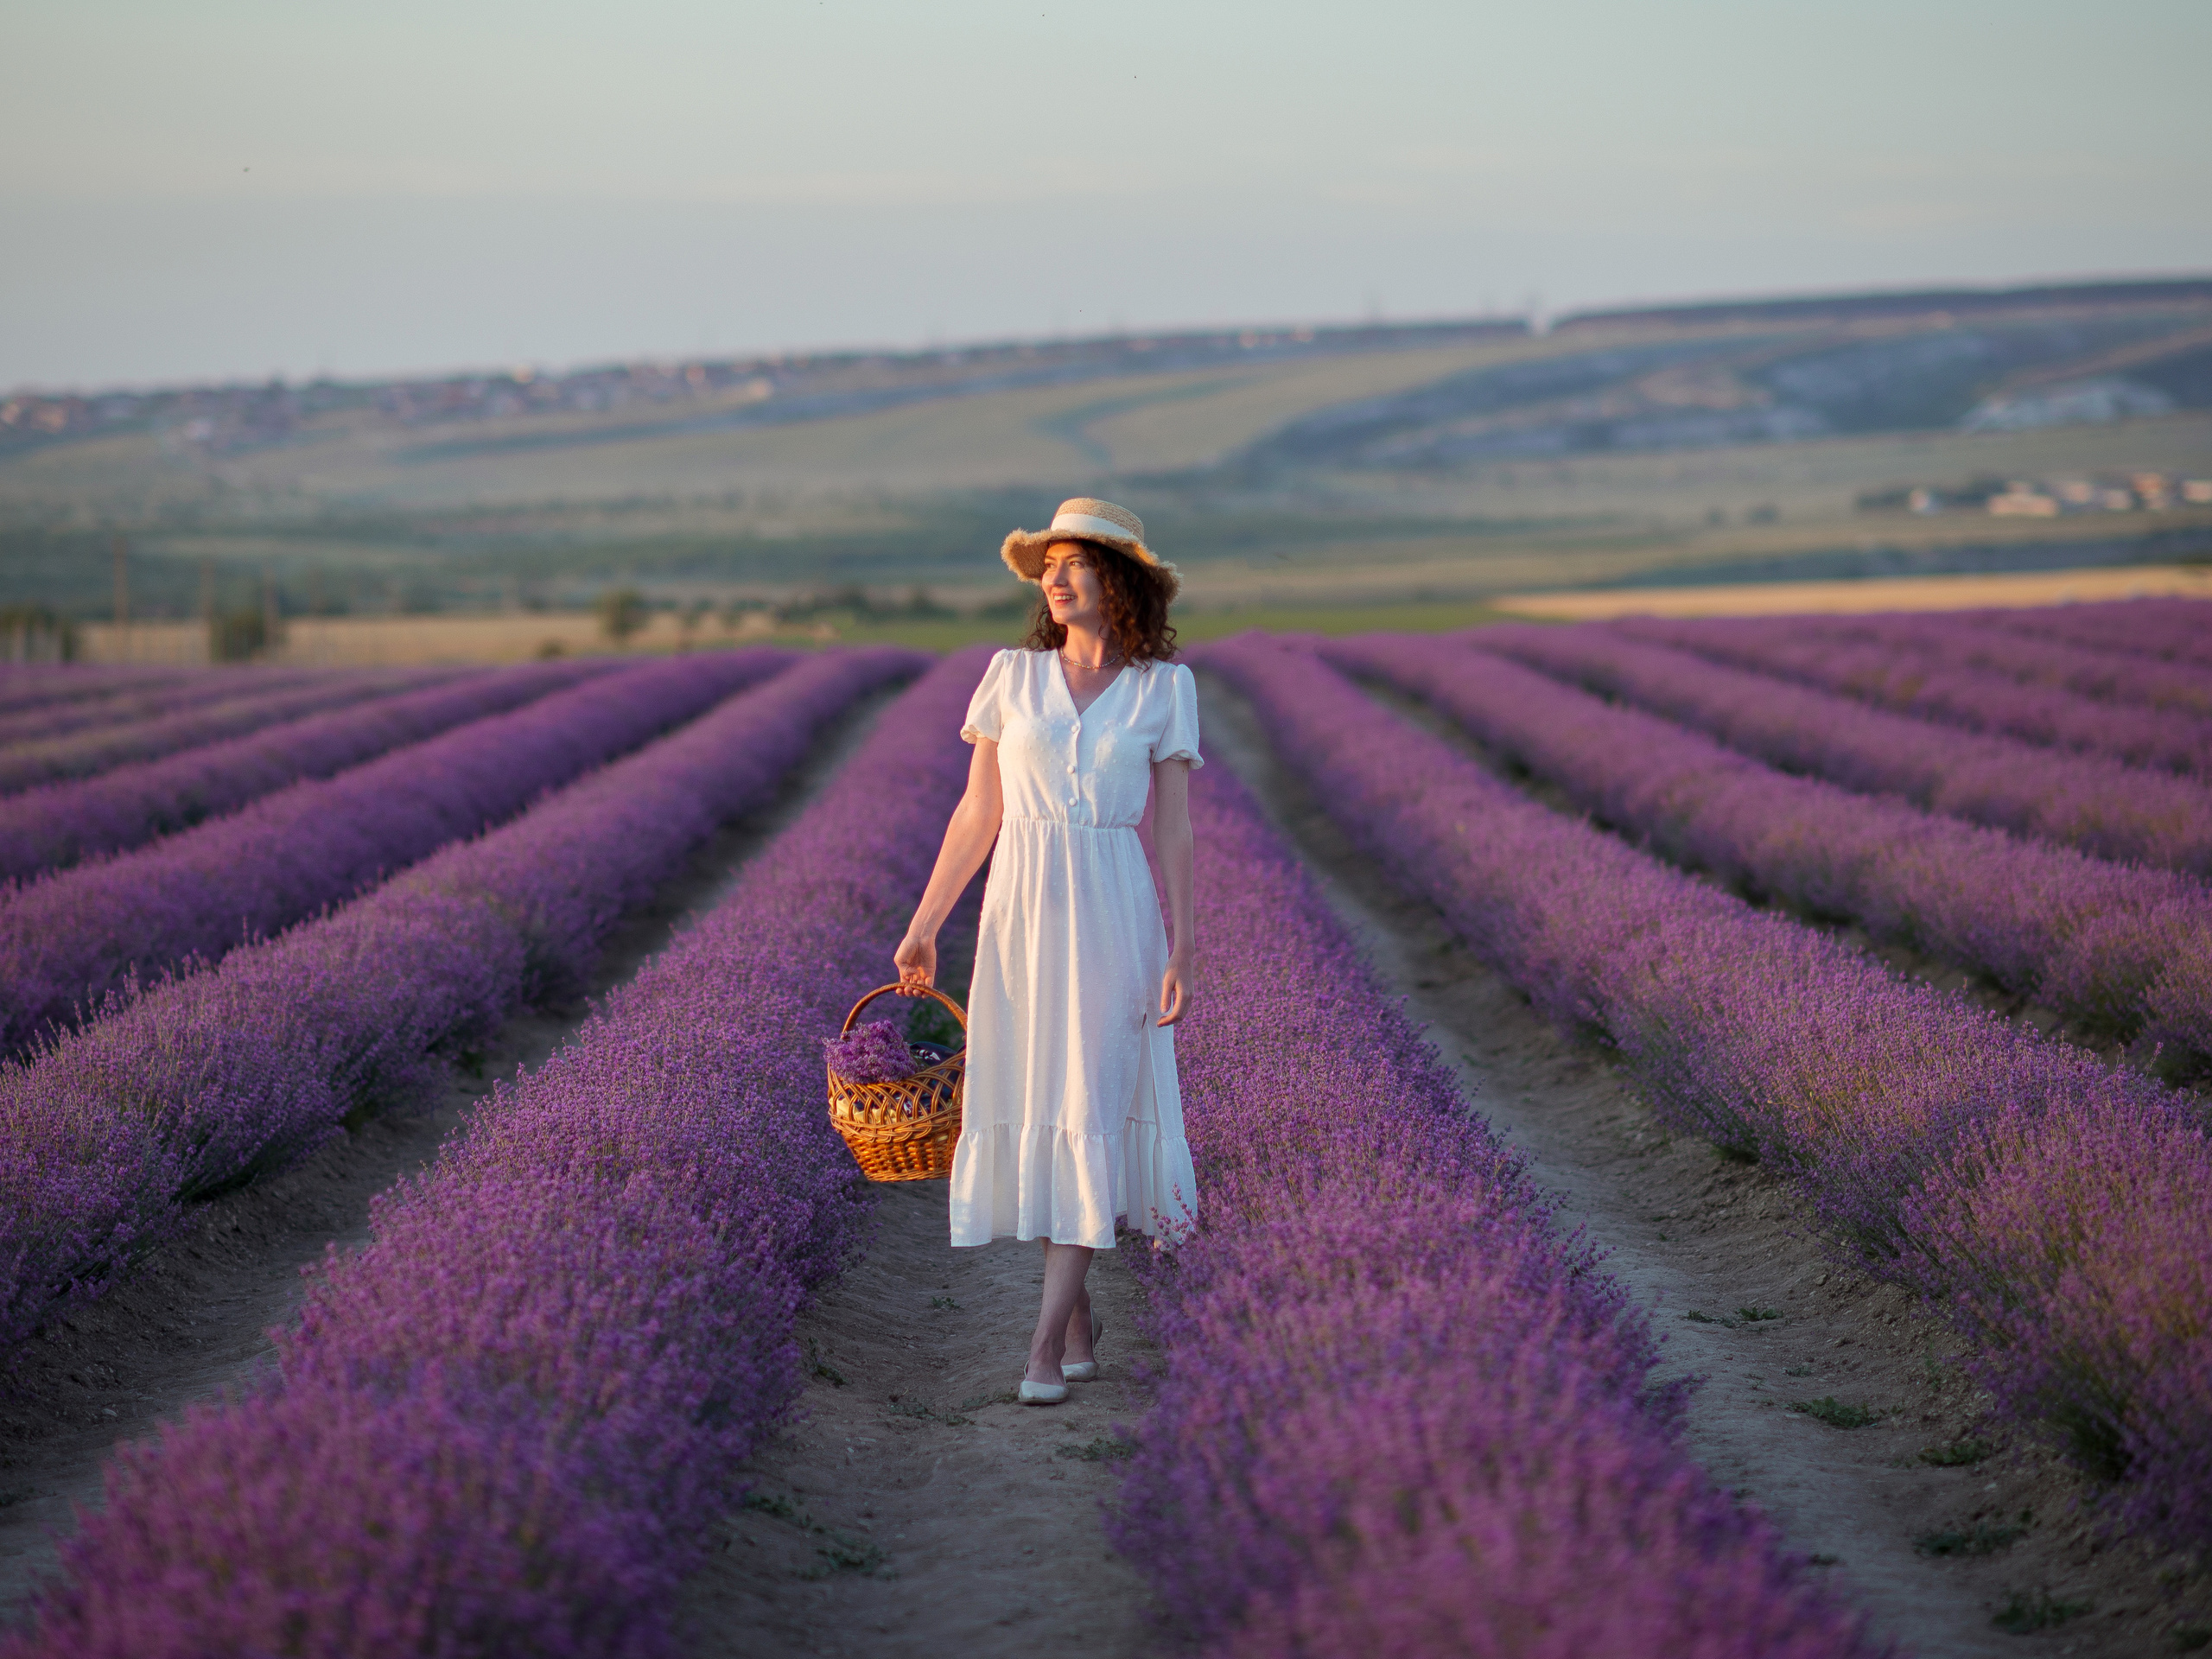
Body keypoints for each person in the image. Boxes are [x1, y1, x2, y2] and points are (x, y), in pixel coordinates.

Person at [894, 498, 1202, 1404]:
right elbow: (976, 813)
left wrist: (1184, 945)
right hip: (1020, 912)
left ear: (1122, 581)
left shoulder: (1163, 690)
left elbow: (1175, 833)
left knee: (1088, 1098)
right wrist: (923, 922)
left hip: (1114, 910)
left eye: (1075, 564)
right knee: (1036, 1097)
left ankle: (1038, 1347)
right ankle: (1076, 1318)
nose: (1055, 579)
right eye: (1048, 566)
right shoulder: (1009, 677)